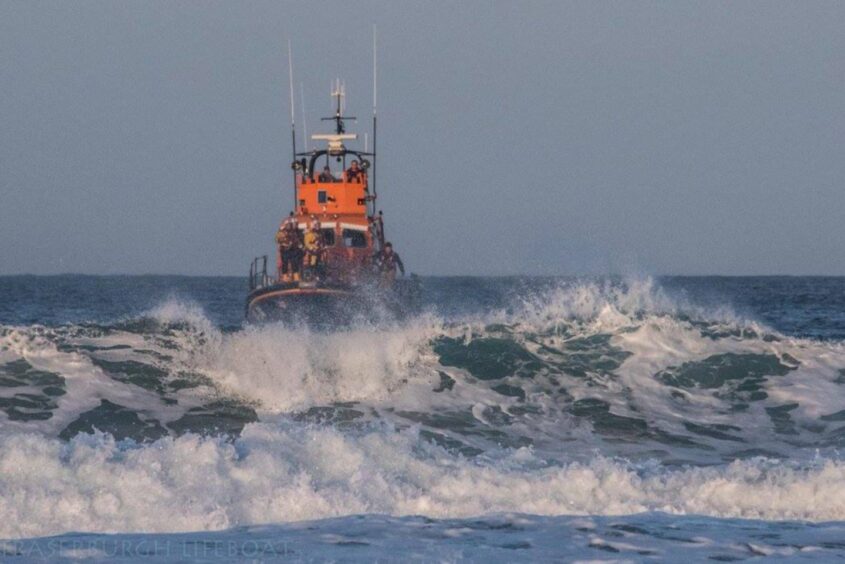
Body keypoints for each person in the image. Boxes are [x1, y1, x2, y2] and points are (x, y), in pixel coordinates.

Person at [275, 216, 301, 282]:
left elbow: (296, 240)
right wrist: (284, 242)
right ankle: (285, 277)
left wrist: (298, 245)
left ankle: (296, 277)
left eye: (290, 225)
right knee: (285, 264)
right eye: (288, 225)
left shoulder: (293, 233)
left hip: (292, 250)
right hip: (285, 251)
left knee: (294, 263)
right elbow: (277, 239)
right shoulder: (281, 232)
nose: (290, 226)